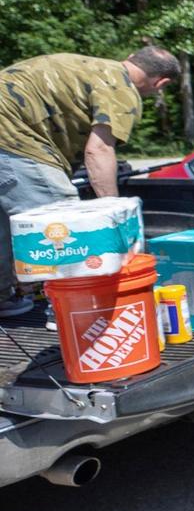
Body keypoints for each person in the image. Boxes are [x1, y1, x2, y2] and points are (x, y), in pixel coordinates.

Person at [0, 46, 179, 317]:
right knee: (67, 223)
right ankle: (76, 313)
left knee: (3, 227)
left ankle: (4, 298)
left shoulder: (84, 65)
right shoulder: (120, 87)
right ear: (160, 82)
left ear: (130, 56)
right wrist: (111, 214)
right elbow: (98, 151)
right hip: (13, 139)